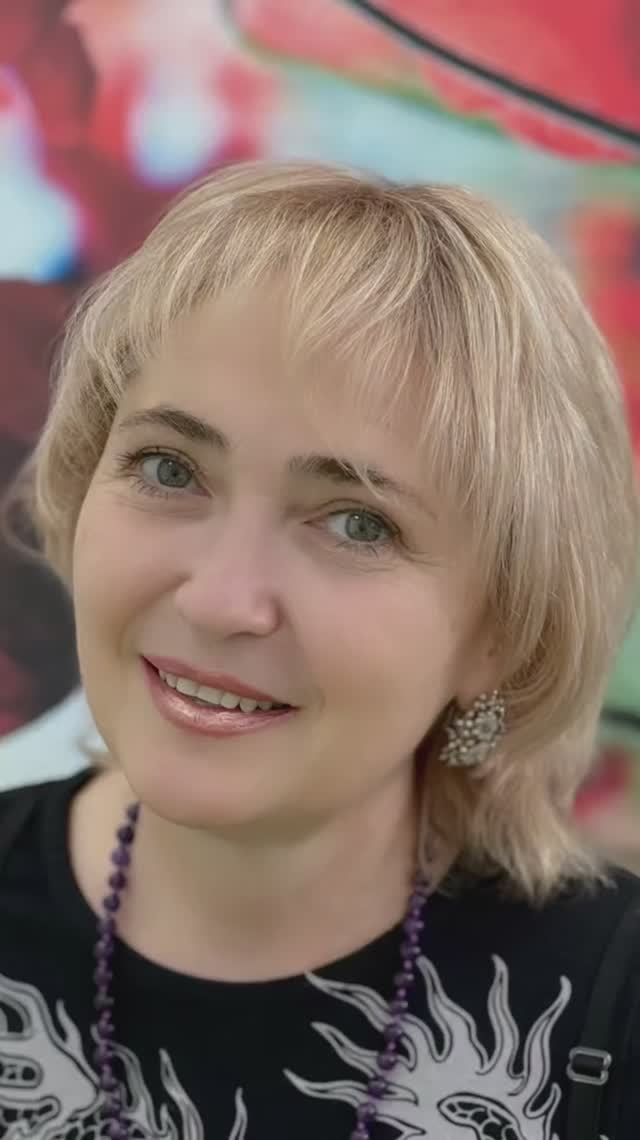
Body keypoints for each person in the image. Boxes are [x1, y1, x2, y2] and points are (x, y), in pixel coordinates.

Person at [0, 160, 638, 1140]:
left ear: (502, 632)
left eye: (356, 524)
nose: (220, 599)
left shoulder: (612, 1009)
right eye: (168, 468)